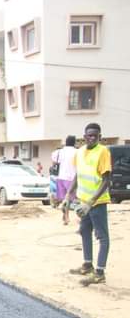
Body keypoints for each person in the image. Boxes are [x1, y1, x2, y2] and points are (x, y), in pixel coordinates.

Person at [63, 122, 112, 286]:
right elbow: (78, 175)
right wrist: (68, 195)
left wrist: (91, 201)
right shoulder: (80, 152)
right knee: (84, 231)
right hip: (83, 202)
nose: (91, 138)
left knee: (102, 236)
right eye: (89, 135)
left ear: (100, 137)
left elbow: (106, 180)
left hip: (97, 202)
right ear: (83, 137)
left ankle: (99, 273)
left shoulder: (103, 152)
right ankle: (87, 264)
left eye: (95, 136)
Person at [53, 135, 78, 206]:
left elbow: (54, 162)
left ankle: (65, 215)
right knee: (70, 199)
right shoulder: (78, 152)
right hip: (72, 178)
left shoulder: (58, 152)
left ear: (66, 142)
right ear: (74, 142)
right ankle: (66, 215)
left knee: (63, 199)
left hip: (61, 177)